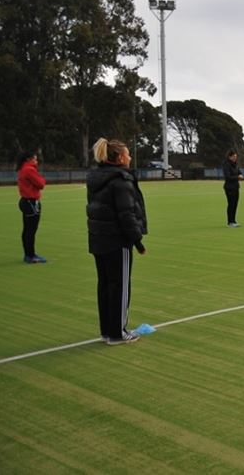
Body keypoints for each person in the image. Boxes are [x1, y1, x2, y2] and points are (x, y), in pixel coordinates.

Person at [86, 138, 148, 345]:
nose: (130, 157)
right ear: (120, 157)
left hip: (98, 239)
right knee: (119, 286)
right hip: (116, 240)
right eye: (128, 154)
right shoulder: (121, 180)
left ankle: (107, 330)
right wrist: (138, 241)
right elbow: (126, 215)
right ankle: (117, 333)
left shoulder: (97, 178)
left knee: (105, 285)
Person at [17, 151, 47, 263]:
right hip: (31, 202)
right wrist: (42, 179)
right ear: (28, 159)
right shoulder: (29, 169)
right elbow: (41, 183)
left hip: (26, 201)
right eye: (35, 159)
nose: (36, 161)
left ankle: (28, 254)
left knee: (27, 230)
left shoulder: (23, 168)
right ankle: (31, 255)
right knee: (31, 230)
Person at [222, 149, 244, 227]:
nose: (235, 158)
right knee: (231, 204)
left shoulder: (236, 164)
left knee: (235, 204)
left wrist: (240, 175)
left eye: (236, 156)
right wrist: (238, 177)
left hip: (236, 187)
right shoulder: (226, 164)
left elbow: (239, 172)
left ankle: (233, 221)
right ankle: (230, 222)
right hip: (229, 187)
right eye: (233, 156)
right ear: (229, 156)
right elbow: (228, 177)